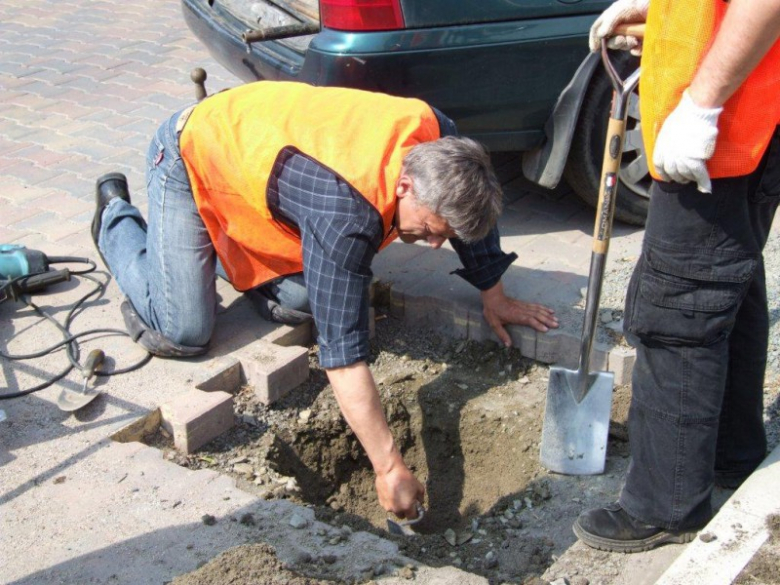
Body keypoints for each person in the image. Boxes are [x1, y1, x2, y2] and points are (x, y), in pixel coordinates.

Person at [91, 80, 559, 521]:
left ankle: (216, 250)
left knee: (304, 301)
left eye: (444, 238)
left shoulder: (439, 142)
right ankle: (114, 216)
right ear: (405, 187)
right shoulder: (345, 217)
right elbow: (343, 357)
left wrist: (493, 294)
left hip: (263, 153)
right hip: (194, 152)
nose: (435, 247)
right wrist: (388, 467)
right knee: (184, 329)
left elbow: (465, 217)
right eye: (433, 232)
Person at [575, 0, 780, 553]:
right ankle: (730, 455)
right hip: (749, 127)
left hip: (727, 131)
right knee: (730, 284)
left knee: (679, 306)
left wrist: (703, 103)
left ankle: (666, 505)